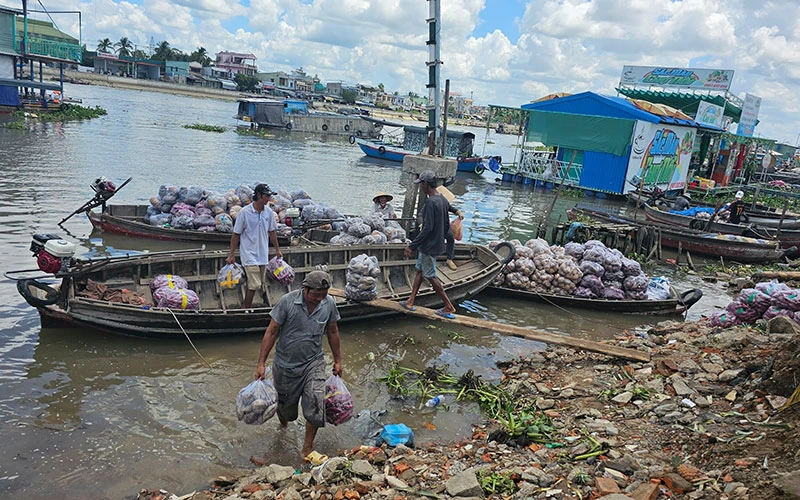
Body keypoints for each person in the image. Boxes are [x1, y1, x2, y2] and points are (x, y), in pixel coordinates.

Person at [254, 270, 342, 459]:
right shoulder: (287, 302)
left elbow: (333, 331)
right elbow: (271, 332)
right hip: (285, 365)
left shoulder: (329, 304)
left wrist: (338, 360)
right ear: (305, 290)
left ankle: (307, 448)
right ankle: (283, 424)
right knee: (287, 410)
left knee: (316, 402)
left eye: (323, 295)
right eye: (316, 295)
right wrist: (261, 363)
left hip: (314, 362)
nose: (319, 299)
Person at [402, 170, 457, 319]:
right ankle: (410, 300)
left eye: (421, 184)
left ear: (426, 184)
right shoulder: (442, 200)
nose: (420, 187)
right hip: (436, 243)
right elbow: (446, 225)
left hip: (428, 246)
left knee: (431, 276)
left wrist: (412, 246)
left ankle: (448, 306)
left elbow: (427, 228)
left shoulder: (431, 202)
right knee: (420, 270)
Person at [227, 183, 283, 308]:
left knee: (261, 283)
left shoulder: (268, 213)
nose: (268, 199)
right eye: (266, 196)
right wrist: (231, 255)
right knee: (254, 284)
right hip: (248, 254)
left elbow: (272, 232)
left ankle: (258, 304)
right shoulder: (244, 212)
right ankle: (245, 308)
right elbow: (236, 234)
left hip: (263, 254)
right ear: (259, 195)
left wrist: (277, 250)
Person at [444, 202, 464, 270]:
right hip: (435, 227)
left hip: (444, 226)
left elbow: (451, 208)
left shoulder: (443, 202)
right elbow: (421, 215)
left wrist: (458, 212)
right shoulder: (430, 203)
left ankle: (449, 259)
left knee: (451, 238)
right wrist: (421, 223)